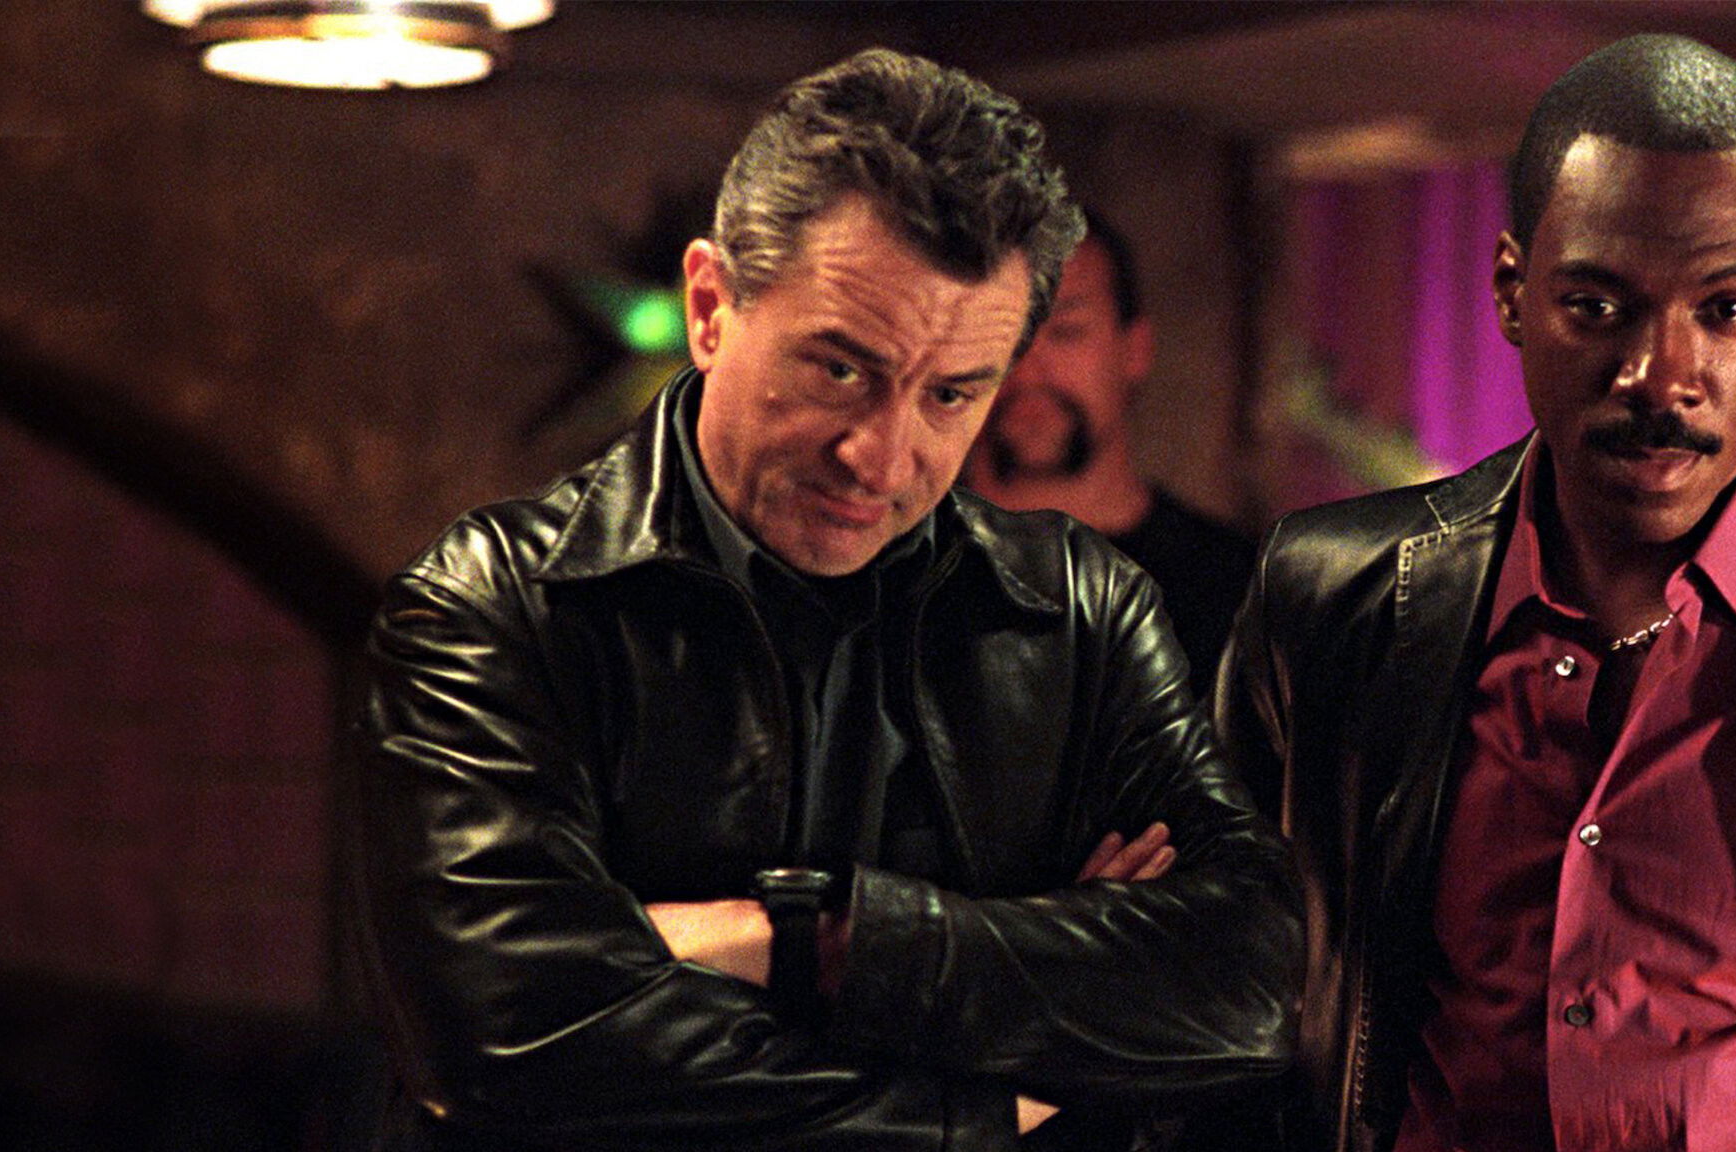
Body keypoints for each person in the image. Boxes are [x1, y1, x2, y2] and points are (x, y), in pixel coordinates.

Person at [353, 48, 1300, 1152]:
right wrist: (994, 1082)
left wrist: (817, 941)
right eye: (840, 370)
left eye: (951, 395)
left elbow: (1250, 989)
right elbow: (505, 1043)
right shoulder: (493, 607)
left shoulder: (1078, 612)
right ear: (710, 307)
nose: (881, 456)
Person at [1217, 33, 1736, 1152]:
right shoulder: (1333, 598)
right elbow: (1227, 994)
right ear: (1510, 291)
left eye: (1724, 310)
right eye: (1595, 306)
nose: (1660, 376)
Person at [961, 210, 1256, 690]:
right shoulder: (889, 573)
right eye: (999, 334)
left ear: (1134, 349)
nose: (1028, 370)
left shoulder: (1239, 595)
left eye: (1066, 331)